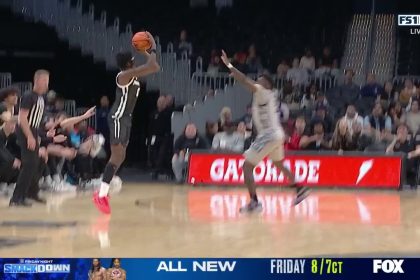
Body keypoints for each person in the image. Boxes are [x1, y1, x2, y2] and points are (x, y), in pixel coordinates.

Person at [220, 50, 309, 212]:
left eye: (259, 81)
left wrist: (229, 65)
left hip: (268, 134)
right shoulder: (270, 95)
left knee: (247, 167)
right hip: (277, 134)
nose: (256, 83)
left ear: (267, 84)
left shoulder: (262, 91)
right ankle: (300, 188)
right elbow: (246, 82)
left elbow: (245, 80)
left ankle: (254, 202)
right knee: (279, 164)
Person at [93, 32, 160, 214]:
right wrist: (151, 47)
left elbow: (155, 67)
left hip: (127, 119)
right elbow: (152, 66)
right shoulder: (123, 76)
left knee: (121, 156)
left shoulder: (133, 75)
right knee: (116, 155)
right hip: (117, 117)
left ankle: (103, 191)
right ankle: (101, 194)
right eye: (133, 59)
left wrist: (144, 50)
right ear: (129, 63)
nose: (135, 62)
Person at [9, 70, 49, 207]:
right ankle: (16, 198)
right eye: (45, 81)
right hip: (26, 131)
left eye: (47, 81)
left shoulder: (41, 98)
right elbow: (22, 118)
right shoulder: (28, 96)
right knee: (29, 164)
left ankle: (33, 192)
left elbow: (37, 121)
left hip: (33, 131)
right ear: (37, 80)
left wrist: (36, 136)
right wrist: (30, 137)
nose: (46, 84)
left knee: (38, 161)